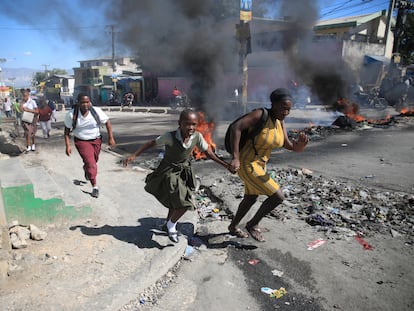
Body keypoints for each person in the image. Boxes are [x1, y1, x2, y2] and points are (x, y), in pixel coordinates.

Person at [123, 109, 234, 243]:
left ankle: (167, 224)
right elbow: (150, 143)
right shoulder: (170, 137)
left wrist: (226, 165)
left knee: (175, 201)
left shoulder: (197, 137)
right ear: (179, 123)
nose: (191, 127)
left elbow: (209, 153)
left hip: (183, 171)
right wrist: (134, 155)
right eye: (187, 124)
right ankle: (171, 225)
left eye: (194, 124)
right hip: (169, 171)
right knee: (185, 203)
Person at [228, 88, 309, 242]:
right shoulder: (260, 115)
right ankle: (252, 224)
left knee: (251, 197)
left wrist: (300, 146)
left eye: (288, 109)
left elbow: (289, 145)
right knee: (278, 196)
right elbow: (236, 127)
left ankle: (233, 226)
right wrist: (235, 157)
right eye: (283, 108)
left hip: (260, 164)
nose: (286, 112)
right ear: (273, 104)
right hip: (247, 163)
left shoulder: (280, 122)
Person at [64, 93, 116, 198]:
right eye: (82, 102)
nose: (85, 104)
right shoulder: (72, 114)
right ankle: (95, 187)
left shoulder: (96, 111)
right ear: (78, 103)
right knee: (91, 163)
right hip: (82, 141)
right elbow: (66, 131)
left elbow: (107, 123)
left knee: (93, 161)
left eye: (87, 102)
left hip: (96, 140)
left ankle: (87, 169)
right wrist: (68, 145)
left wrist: (111, 138)